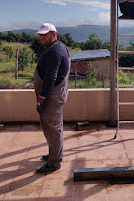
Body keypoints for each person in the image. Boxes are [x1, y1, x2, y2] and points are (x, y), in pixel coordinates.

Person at [34, 23, 71, 173]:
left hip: (52, 96)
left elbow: (51, 77)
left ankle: (54, 162)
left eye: (45, 35)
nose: (42, 38)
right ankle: (54, 154)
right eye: (40, 35)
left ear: (53, 34)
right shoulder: (59, 47)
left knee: (52, 128)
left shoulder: (54, 51)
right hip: (57, 93)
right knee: (55, 128)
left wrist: (42, 98)